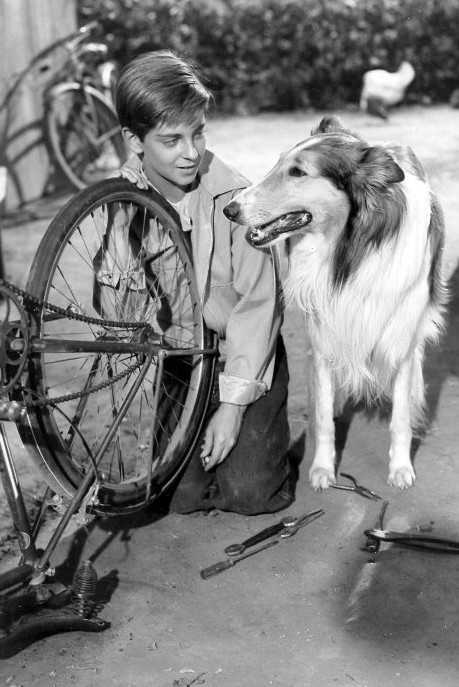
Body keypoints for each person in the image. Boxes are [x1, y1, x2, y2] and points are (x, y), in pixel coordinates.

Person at [110, 49, 293, 515]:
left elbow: (259, 305)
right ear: (135, 140)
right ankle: (212, 457)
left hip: (246, 345)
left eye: (198, 133)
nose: (191, 153)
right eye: (171, 140)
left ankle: (262, 437)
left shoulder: (235, 197)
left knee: (251, 496)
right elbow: (114, 289)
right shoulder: (125, 196)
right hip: (182, 352)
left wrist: (231, 409)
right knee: (177, 500)